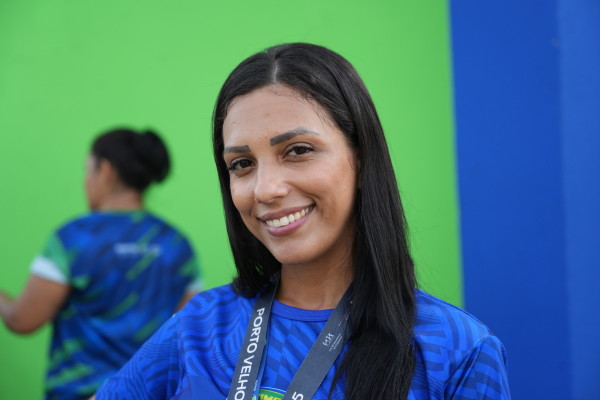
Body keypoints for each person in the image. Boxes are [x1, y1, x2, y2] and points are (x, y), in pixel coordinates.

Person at [94, 43, 510, 399]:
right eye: (242, 163)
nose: (265, 189)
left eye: (297, 151)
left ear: (361, 159)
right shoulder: (200, 327)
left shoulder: (456, 351)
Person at [0, 128, 203, 400]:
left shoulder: (74, 239)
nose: (85, 181)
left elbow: (22, 320)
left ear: (104, 170)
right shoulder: (177, 244)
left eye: (87, 170)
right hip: (148, 394)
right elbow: (188, 333)